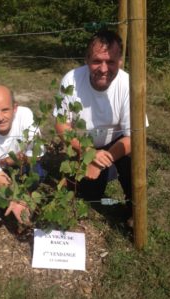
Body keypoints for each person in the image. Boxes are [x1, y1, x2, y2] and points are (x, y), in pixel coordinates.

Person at [53, 29, 138, 221]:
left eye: (110, 62)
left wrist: (98, 162)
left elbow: (134, 136)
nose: (103, 68)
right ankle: (104, 172)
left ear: (120, 61)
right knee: (90, 197)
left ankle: (133, 208)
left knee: (134, 165)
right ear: (86, 59)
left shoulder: (128, 84)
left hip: (116, 143)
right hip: (82, 144)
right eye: (97, 61)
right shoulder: (71, 80)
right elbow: (61, 125)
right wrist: (88, 153)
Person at [0, 85, 46, 225]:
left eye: (5, 110)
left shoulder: (26, 116)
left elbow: (36, 155)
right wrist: (17, 197)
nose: (0, 117)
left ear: (15, 108)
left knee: (36, 173)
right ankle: (13, 201)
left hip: (18, 164)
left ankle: (19, 198)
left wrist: (8, 161)